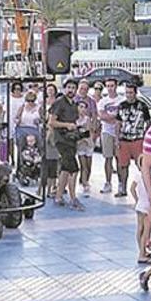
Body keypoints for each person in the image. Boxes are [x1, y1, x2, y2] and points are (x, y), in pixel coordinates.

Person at [49, 79, 84, 210]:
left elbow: (74, 121)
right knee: (74, 169)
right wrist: (67, 125)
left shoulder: (74, 104)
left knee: (65, 169)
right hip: (61, 139)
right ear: (64, 89)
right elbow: (52, 122)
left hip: (71, 140)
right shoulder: (59, 103)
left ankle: (58, 196)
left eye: (73, 88)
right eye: (68, 87)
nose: (71, 90)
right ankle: (73, 198)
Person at [115, 84, 151, 197]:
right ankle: (122, 188)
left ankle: (146, 187)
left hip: (138, 139)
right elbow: (118, 123)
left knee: (141, 164)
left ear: (135, 93)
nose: (129, 95)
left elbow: (148, 122)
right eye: (127, 93)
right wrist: (117, 138)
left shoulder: (142, 106)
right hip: (124, 139)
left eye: (131, 92)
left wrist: (146, 136)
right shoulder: (121, 106)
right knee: (122, 165)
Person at [96, 78, 124, 194]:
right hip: (106, 132)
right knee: (108, 158)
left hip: (119, 133)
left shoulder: (122, 100)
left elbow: (123, 117)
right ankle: (108, 183)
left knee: (119, 159)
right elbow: (102, 116)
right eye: (108, 86)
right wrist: (115, 117)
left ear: (116, 86)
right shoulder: (102, 101)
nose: (110, 88)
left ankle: (121, 184)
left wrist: (112, 118)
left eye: (112, 85)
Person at [130, 155, 151, 264]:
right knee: (146, 231)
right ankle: (142, 254)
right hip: (147, 206)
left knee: (140, 229)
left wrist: (137, 199)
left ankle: (142, 250)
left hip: (141, 204)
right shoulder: (150, 176)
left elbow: (132, 188)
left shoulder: (138, 175)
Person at [75, 100, 94, 197]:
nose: (82, 109)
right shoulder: (75, 120)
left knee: (89, 166)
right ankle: (84, 182)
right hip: (80, 144)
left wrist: (90, 141)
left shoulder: (87, 119)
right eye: (80, 107)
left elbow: (89, 131)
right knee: (84, 166)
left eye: (84, 107)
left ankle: (86, 179)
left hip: (88, 143)